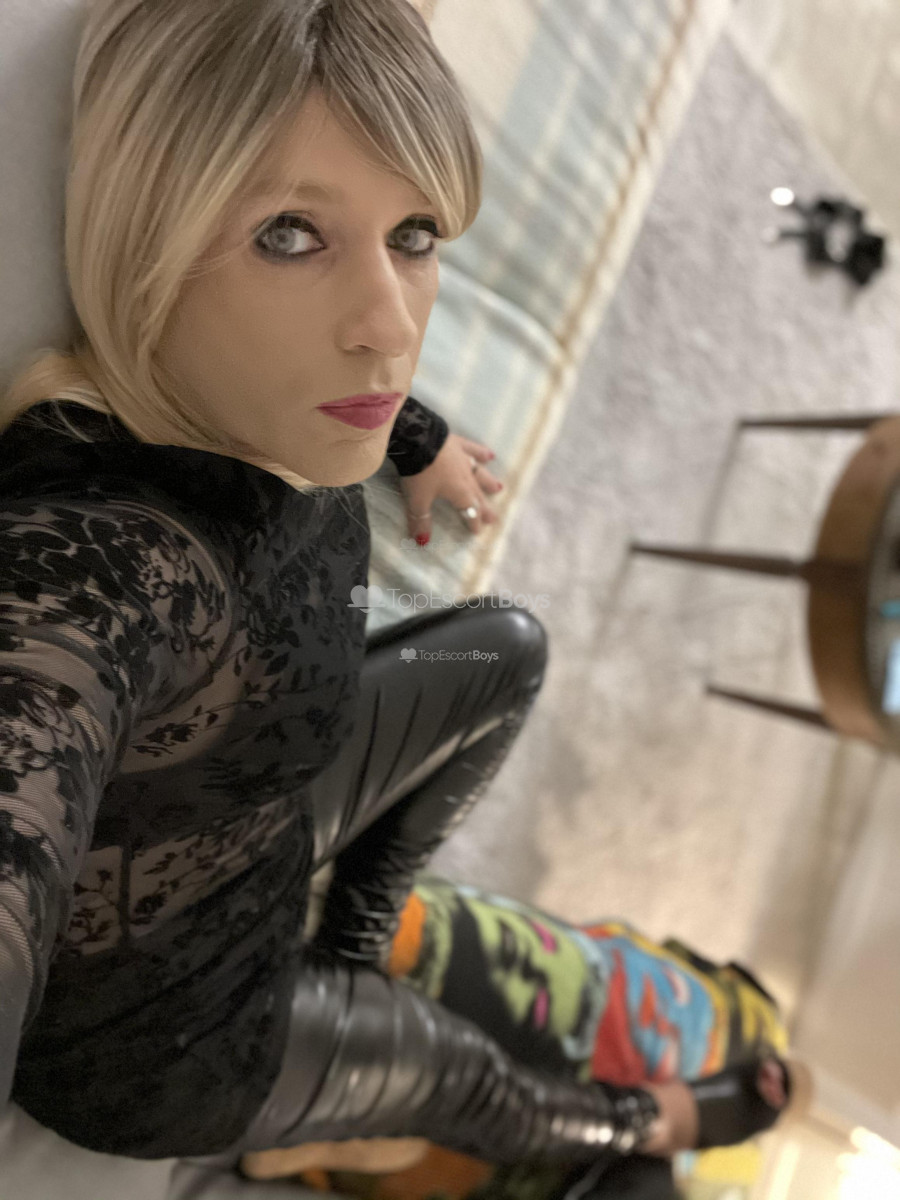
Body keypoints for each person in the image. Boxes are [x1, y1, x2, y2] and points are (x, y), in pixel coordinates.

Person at [0, 0, 803, 1184]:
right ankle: (654, 1120)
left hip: (264, 805)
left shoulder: (287, 403)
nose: (390, 328)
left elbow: (376, 371)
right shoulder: (105, 559)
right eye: (288, 234)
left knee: (506, 652)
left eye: (415, 233)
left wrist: (417, 440)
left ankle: (356, 949)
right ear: (144, 238)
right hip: (180, 1039)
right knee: (474, 1079)